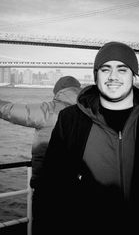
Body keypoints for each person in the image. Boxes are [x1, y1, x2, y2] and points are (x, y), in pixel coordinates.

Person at [36, 42, 139, 235]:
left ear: (133, 75)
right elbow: (50, 186)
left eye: (122, 69)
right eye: (105, 69)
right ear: (95, 75)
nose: (113, 76)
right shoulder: (70, 120)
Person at [0, 76, 81, 232]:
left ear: (58, 92)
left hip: (47, 186)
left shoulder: (48, 110)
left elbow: (9, 110)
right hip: (78, 189)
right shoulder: (90, 110)